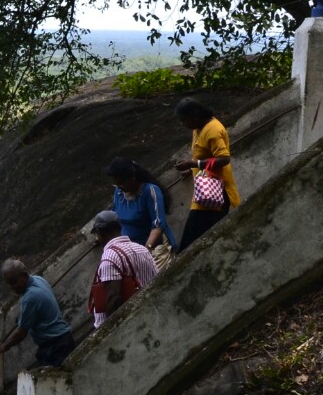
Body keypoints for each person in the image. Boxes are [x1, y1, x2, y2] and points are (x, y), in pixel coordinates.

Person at [172, 98, 240, 252]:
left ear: (195, 116)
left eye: (184, 120)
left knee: (194, 239)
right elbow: (203, 156)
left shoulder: (213, 131)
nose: (183, 124)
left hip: (216, 193)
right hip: (204, 191)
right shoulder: (198, 128)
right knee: (193, 236)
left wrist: (193, 164)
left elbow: (224, 159)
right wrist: (190, 169)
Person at [0, 258, 76, 367]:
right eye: (9, 284)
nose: (12, 287)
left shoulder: (30, 297)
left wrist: (4, 346)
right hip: (63, 339)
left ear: (24, 275)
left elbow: (21, 332)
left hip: (55, 346)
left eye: (14, 282)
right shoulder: (38, 279)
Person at [87, 210, 158, 328]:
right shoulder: (141, 249)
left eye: (96, 234)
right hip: (151, 313)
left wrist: (108, 331)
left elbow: (113, 299)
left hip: (130, 325)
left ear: (100, 233)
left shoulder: (109, 257)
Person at [106, 158, 176, 252]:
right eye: (116, 183)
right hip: (131, 250)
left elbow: (158, 226)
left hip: (153, 248)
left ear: (132, 177)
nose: (119, 187)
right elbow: (114, 217)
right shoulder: (119, 192)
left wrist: (146, 249)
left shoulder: (150, 191)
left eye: (121, 183)